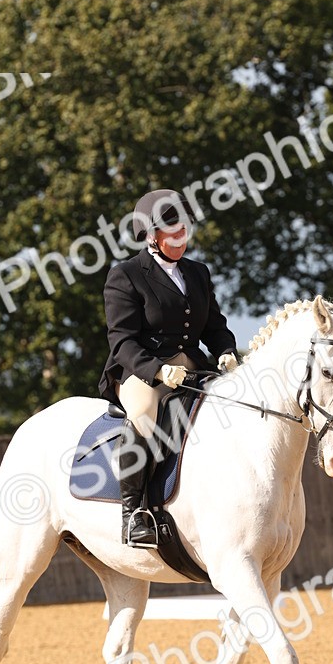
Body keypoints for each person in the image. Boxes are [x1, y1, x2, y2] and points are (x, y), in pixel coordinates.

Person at [98, 188, 239, 548]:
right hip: (139, 370)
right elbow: (123, 341)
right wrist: (158, 371)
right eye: (172, 233)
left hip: (192, 366)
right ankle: (133, 516)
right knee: (146, 413)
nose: (180, 239)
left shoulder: (197, 272)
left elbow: (214, 326)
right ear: (152, 235)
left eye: (184, 231)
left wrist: (225, 350)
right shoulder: (126, 275)